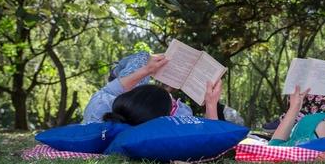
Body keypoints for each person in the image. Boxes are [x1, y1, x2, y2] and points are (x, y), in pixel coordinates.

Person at [83, 51, 222, 125]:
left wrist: (147, 70)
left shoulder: (100, 107)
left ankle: (116, 71)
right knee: (144, 56)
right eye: (171, 100)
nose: (174, 100)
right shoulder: (181, 115)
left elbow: (109, 90)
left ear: (130, 97)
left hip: (125, 99)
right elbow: (212, 138)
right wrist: (211, 104)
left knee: (142, 56)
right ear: (168, 114)